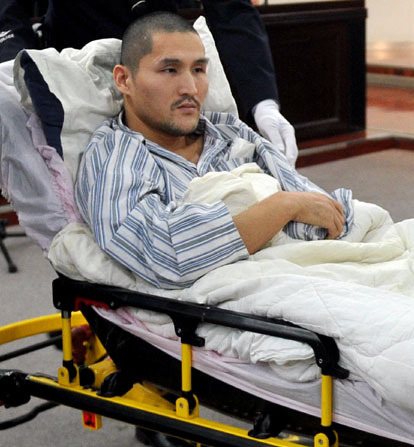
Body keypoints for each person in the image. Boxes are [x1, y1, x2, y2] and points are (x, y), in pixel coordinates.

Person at [75, 11, 353, 290]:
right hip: (251, 297)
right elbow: (165, 255)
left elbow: (324, 213)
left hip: (315, 269)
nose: (190, 88)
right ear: (124, 80)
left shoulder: (229, 131)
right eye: (170, 70)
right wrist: (282, 207)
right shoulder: (115, 156)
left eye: (198, 70)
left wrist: (293, 211)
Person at [0, 0, 298, 165]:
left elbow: (231, 11)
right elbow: (8, 11)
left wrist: (263, 103)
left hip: (164, 59)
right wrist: (15, 68)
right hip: (78, 70)